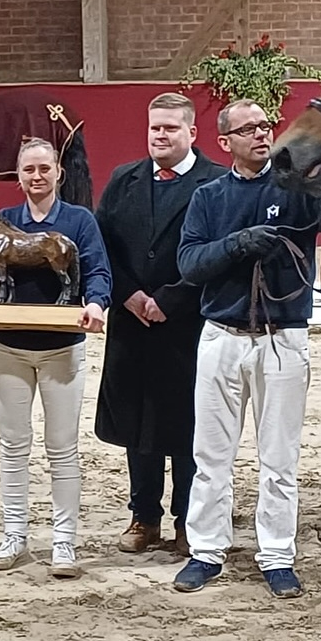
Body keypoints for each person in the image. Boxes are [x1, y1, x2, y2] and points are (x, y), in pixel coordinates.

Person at [173, 98, 321, 598]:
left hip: (282, 336)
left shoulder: (299, 188)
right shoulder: (208, 197)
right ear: (225, 141)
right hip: (222, 335)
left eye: (266, 125)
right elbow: (189, 262)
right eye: (249, 128)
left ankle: (277, 554)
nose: (262, 134)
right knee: (211, 454)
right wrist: (238, 244)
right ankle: (206, 550)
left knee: (279, 456)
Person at [0, 137, 111, 578]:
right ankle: (14, 534)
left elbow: (97, 270)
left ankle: (63, 543)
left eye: (44, 168)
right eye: (28, 170)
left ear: (58, 172)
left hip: (62, 351)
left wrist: (96, 302)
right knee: (13, 447)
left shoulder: (79, 221)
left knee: (62, 449)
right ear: (19, 176)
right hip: (9, 350)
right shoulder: (4, 221)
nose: (36, 177)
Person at [94, 92, 228, 557]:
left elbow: (219, 251)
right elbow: (101, 244)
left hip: (187, 325)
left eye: (171, 128)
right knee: (139, 424)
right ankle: (143, 516)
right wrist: (128, 293)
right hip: (132, 322)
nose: (161, 135)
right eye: (155, 127)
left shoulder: (216, 183)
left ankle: (189, 522)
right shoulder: (123, 180)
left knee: (188, 427)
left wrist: (171, 299)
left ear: (193, 132)